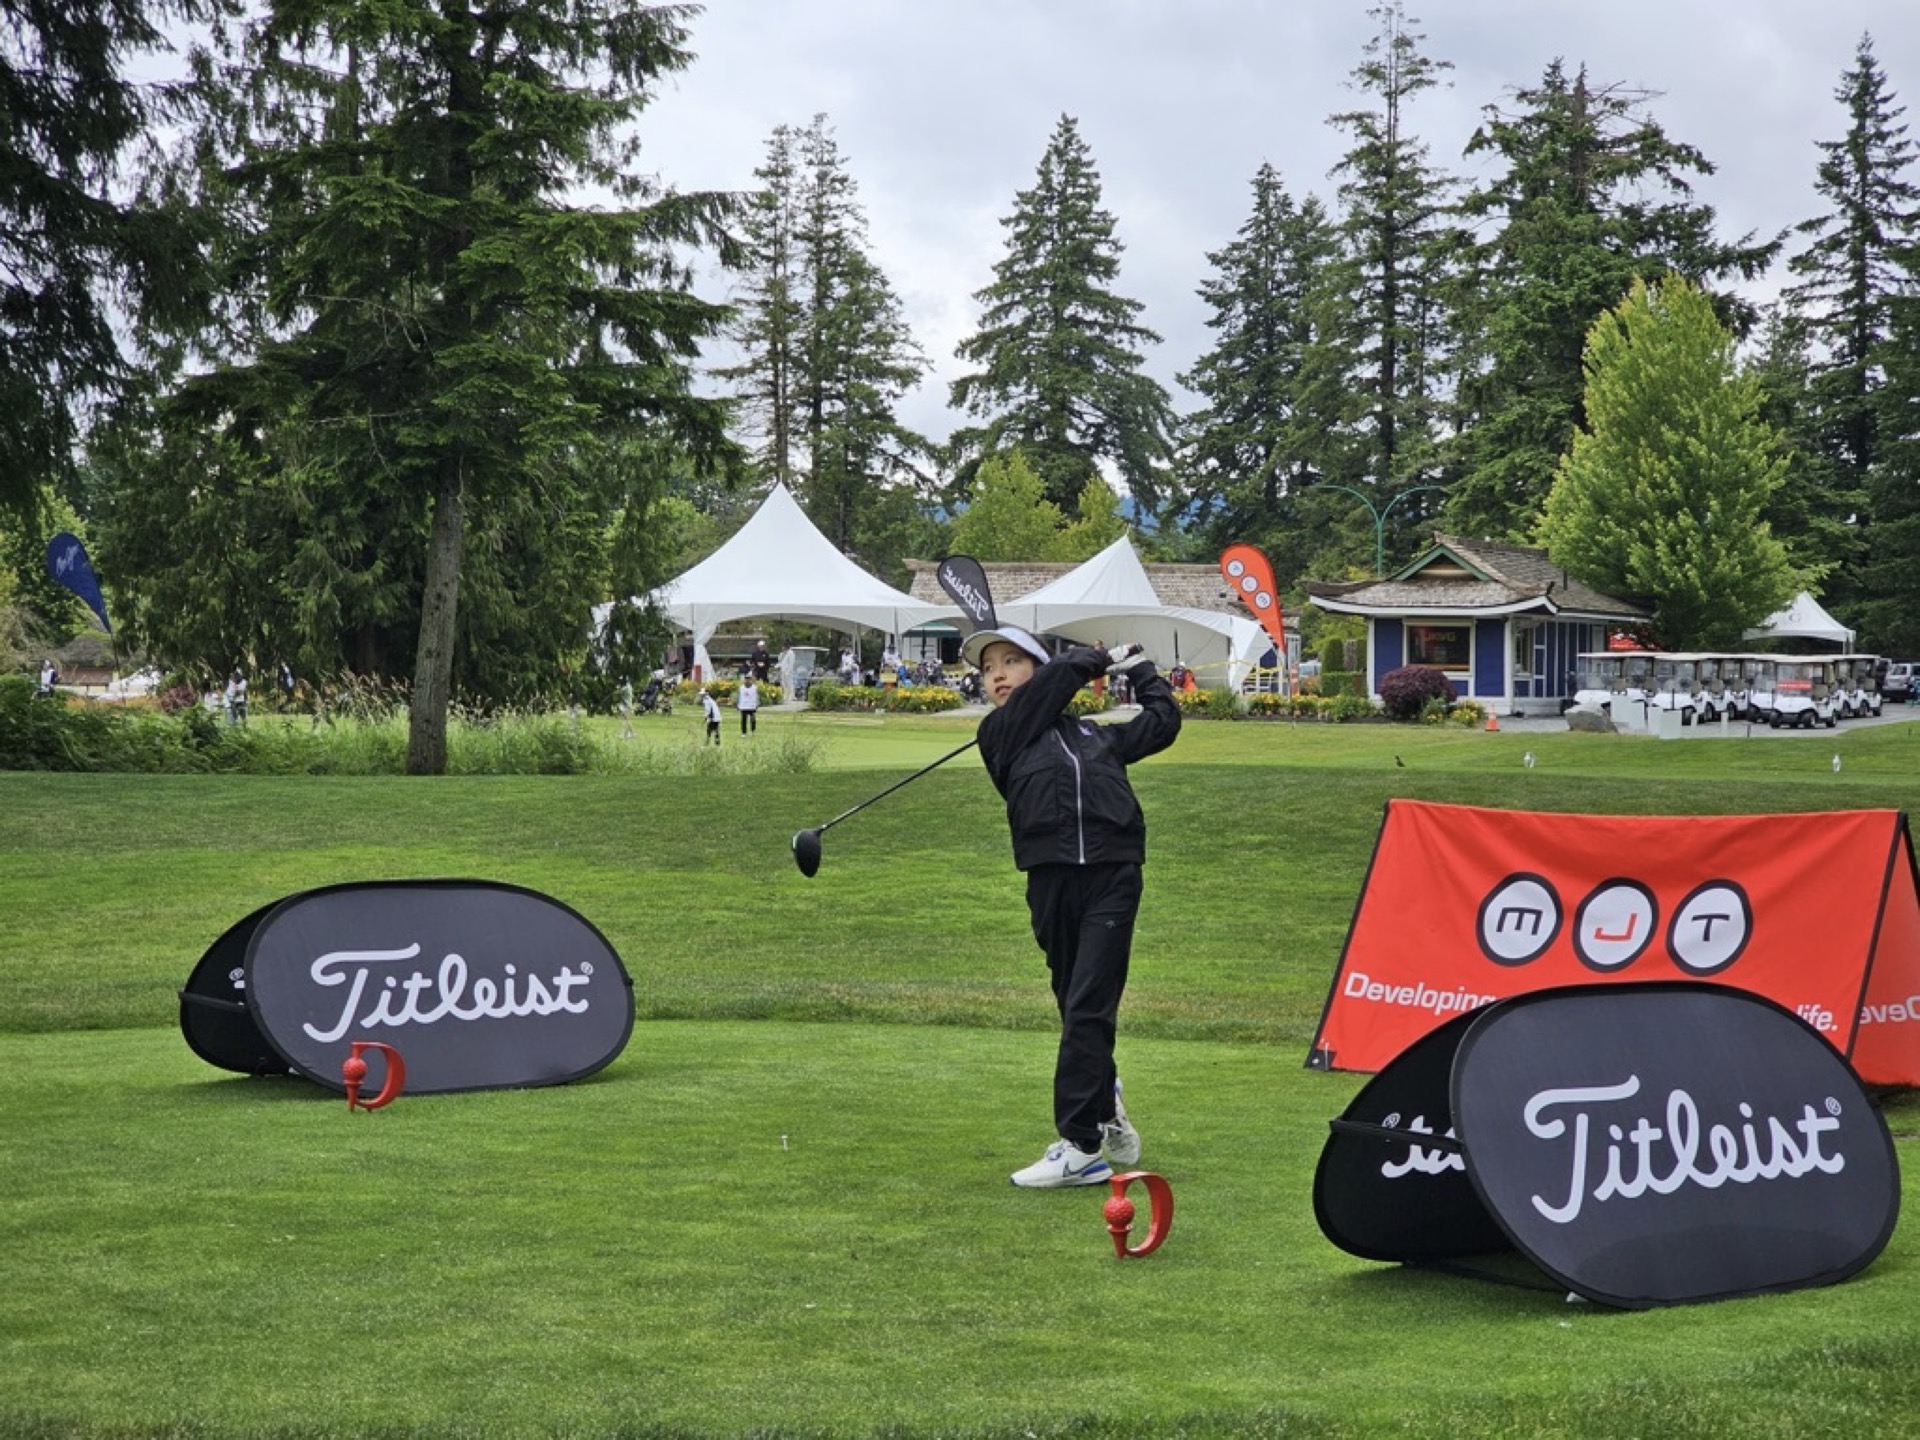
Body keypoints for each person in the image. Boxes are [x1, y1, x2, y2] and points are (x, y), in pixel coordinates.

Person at [966, 624, 1181, 1188]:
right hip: (1051, 882)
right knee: (1075, 1005)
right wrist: (1096, 658)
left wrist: (1142, 672)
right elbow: (1055, 685)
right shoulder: (1000, 734)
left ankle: (1081, 1146)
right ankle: (1104, 1100)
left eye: (1011, 661)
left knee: (1089, 1005)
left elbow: (1162, 723)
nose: (997, 675)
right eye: (988, 669)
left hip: (1114, 875)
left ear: (1037, 668)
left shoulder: (1095, 736)